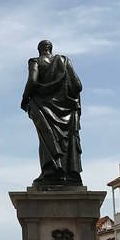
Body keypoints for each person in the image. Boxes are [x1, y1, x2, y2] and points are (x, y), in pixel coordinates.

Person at [20, 40, 84, 186]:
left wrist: (24, 99)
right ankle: (69, 174)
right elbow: (77, 85)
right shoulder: (64, 61)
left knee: (47, 140)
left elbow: (33, 81)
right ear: (51, 49)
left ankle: (51, 172)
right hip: (66, 110)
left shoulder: (35, 61)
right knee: (66, 141)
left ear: (39, 50)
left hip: (42, 107)